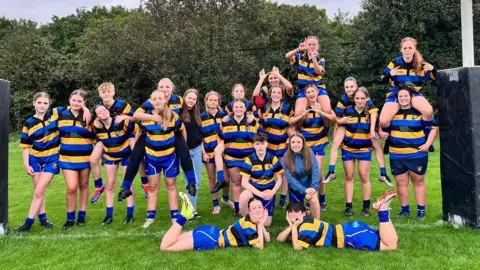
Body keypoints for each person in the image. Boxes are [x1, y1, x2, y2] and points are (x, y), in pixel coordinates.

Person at [118, 78, 196, 200]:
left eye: (167, 87)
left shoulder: (179, 100)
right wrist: (152, 117)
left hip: (172, 132)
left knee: (185, 153)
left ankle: (192, 183)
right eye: (161, 87)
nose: (164, 89)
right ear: (158, 88)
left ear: (172, 88)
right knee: (135, 155)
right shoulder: (152, 100)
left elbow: (189, 109)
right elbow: (136, 115)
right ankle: (126, 187)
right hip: (151, 131)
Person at [381, 88, 438, 221]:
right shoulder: (392, 112)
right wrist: (382, 133)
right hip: (396, 154)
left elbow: (434, 128)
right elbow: (383, 128)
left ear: (411, 97)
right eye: (400, 96)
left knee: (418, 181)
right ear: (397, 98)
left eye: (406, 96)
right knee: (401, 182)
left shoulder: (421, 112)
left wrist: (427, 144)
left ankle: (421, 211)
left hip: (416, 154)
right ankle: (405, 210)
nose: (403, 98)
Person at [324, 77, 393, 187]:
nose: (349, 89)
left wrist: (373, 130)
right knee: (335, 143)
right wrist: (342, 122)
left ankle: (383, 174)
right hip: (346, 123)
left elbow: (374, 112)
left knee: (377, 144)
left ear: (356, 87)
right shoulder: (343, 100)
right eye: (347, 87)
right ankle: (331, 172)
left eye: (352, 86)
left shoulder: (363, 95)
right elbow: (337, 119)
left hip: (363, 123)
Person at [277, 190, 398, 251]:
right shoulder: (302, 224)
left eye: (297, 211)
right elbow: (280, 239)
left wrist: (293, 227)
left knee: (391, 246)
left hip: (349, 236)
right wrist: (290, 225)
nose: (293, 214)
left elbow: (297, 247)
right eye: (290, 212)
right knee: (392, 240)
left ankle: (382, 211)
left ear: (304, 213)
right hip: (351, 229)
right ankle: (385, 210)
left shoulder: (306, 225)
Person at [89, 82, 146, 204]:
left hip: (127, 134)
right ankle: (99, 186)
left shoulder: (122, 104)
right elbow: (93, 118)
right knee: (93, 159)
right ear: (99, 94)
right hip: (107, 136)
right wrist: (94, 122)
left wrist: (126, 118)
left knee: (137, 155)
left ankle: (145, 183)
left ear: (113, 92)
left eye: (109, 91)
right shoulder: (99, 107)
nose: (106, 94)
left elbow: (136, 117)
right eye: (103, 92)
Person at [136, 89, 185, 228]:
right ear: (151, 101)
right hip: (152, 158)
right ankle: (150, 217)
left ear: (165, 100)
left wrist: (184, 150)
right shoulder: (145, 118)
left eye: (160, 98)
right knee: (153, 186)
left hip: (170, 157)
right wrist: (137, 151)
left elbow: (182, 130)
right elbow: (138, 132)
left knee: (171, 184)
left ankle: (175, 216)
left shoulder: (173, 116)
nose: (157, 101)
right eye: (154, 99)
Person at [160, 193, 269, 251]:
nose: (258, 209)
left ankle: (185, 213)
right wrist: (260, 224)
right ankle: (184, 215)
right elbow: (260, 246)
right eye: (254, 208)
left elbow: (267, 238)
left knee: (174, 239)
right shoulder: (249, 225)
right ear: (249, 212)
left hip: (210, 231)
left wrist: (261, 222)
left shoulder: (251, 220)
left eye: (260, 207)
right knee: (165, 247)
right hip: (211, 239)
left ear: (264, 209)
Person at [14, 92, 60, 232]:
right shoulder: (29, 122)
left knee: (39, 191)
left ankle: (28, 223)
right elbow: (25, 146)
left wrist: (88, 111)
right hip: (35, 159)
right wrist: (26, 164)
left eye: (45, 103)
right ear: (34, 103)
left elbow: (75, 106)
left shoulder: (55, 115)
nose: (42, 105)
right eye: (39, 102)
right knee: (38, 192)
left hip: (52, 159)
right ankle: (43, 218)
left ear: (49, 104)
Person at [379, 37, 436, 146]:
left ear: (415, 49)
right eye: (405, 48)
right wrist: (390, 74)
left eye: (410, 48)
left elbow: (435, 77)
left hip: (413, 94)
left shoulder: (421, 64)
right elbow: (382, 79)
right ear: (401, 49)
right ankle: (389, 140)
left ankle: (427, 138)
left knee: (428, 111)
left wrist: (433, 69)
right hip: (395, 94)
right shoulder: (395, 62)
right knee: (383, 121)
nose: (407, 50)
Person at [210, 98, 262, 216]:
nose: (238, 109)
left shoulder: (252, 121)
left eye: (241, 107)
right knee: (236, 183)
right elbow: (220, 137)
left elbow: (260, 137)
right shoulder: (225, 121)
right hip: (232, 158)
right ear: (232, 108)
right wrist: (221, 151)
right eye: (236, 107)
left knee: (248, 184)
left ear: (245, 108)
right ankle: (238, 209)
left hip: (249, 159)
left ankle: (249, 208)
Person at [257, 86, 304, 209]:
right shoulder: (263, 108)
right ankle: (268, 197)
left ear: (282, 95)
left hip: (282, 146)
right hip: (267, 147)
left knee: (283, 173)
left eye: (279, 92)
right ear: (270, 94)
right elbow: (258, 123)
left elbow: (291, 124)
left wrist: (291, 137)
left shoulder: (287, 108)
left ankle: (283, 199)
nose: (276, 94)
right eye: (274, 92)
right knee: (267, 174)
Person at [293, 84, 336, 211]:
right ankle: (308, 199)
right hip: (306, 146)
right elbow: (298, 126)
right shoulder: (303, 109)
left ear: (318, 93)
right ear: (305, 95)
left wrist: (320, 111)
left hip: (319, 144)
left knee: (318, 174)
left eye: (313, 91)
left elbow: (331, 121)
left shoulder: (322, 107)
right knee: (305, 173)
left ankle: (321, 200)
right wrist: (302, 116)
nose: (311, 94)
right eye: (308, 92)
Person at [92, 105, 137, 225]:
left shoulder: (120, 121)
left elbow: (136, 125)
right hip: (110, 156)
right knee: (110, 185)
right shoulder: (96, 127)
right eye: (99, 112)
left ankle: (129, 215)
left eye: (104, 110)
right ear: (97, 117)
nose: (103, 112)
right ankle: (108, 215)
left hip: (126, 155)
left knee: (127, 185)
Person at [57, 89, 96, 229]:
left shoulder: (89, 117)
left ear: (84, 102)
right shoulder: (60, 113)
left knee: (84, 186)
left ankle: (81, 217)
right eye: (74, 100)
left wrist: (86, 111)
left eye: (80, 101)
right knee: (71, 188)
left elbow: (95, 135)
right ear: (69, 100)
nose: (76, 103)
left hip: (85, 157)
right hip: (67, 158)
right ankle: (70, 218)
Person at [339, 87, 377, 217]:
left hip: (365, 149)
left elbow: (375, 129)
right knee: (349, 176)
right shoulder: (348, 111)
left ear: (367, 98)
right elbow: (339, 126)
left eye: (362, 98)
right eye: (357, 98)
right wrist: (339, 142)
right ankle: (348, 206)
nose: (360, 101)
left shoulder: (371, 113)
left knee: (364, 176)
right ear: (353, 99)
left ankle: (366, 207)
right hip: (348, 149)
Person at [238, 133, 284, 226]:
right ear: (253, 145)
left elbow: (280, 179)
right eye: (257, 144)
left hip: (268, 193)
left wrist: (272, 192)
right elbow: (244, 182)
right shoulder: (249, 160)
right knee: (243, 196)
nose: (260, 147)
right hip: (255, 192)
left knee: (267, 223)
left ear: (267, 144)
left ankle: (256, 217)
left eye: (262, 144)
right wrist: (259, 194)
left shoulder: (273, 158)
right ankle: (246, 221)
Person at [200, 91, 234, 215]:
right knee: (211, 178)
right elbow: (200, 138)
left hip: (223, 151)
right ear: (206, 101)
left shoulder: (225, 115)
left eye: (215, 100)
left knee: (225, 177)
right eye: (211, 100)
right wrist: (203, 152)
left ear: (218, 102)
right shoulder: (201, 117)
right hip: (208, 152)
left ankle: (225, 199)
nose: (213, 102)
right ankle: (215, 204)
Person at [285, 36, 332, 117]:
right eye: (309, 44)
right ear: (306, 45)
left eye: (314, 44)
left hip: (318, 87)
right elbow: (287, 56)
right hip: (303, 89)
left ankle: (325, 129)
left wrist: (314, 58)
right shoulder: (299, 57)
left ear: (317, 46)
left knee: (327, 111)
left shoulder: (320, 59)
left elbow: (318, 72)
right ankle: (300, 129)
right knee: (298, 114)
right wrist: (298, 49)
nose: (312, 46)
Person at [283, 133, 321, 220]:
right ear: (289, 144)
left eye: (298, 142)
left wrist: (313, 188)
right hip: (295, 188)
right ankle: (304, 213)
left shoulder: (309, 152)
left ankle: (317, 224)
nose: (295, 145)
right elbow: (290, 179)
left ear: (303, 143)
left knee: (314, 199)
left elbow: (315, 171)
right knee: (295, 216)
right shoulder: (286, 156)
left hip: (310, 187)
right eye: (293, 142)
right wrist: (304, 190)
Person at [180, 89, 203, 218]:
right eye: (189, 98)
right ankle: (189, 210)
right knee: (190, 180)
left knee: (198, 182)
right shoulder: (178, 113)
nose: (191, 101)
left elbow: (200, 134)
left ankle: (191, 208)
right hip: (185, 151)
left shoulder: (197, 114)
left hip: (197, 150)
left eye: (194, 99)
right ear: (184, 98)